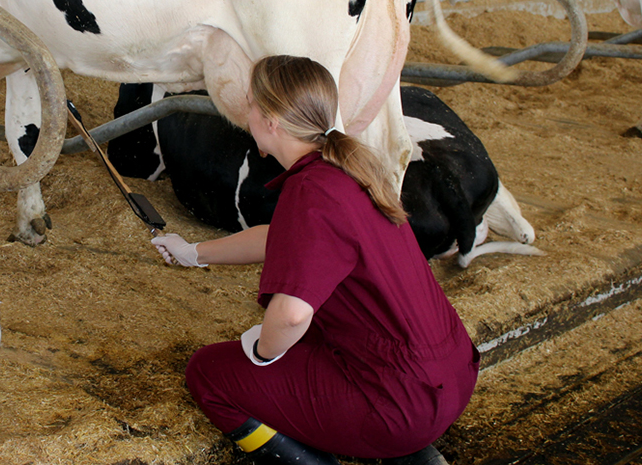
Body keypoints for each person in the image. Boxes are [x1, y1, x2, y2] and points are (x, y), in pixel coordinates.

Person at [151, 55, 479, 465]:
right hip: (451, 376)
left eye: (251, 103)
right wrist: (195, 253)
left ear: (271, 121)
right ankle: (414, 457)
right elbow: (280, 239)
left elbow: (291, 316)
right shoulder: (344, 169)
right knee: (314, 347)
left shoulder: (310, 192)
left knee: (209, 373)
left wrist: (263, 351)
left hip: (402, 404)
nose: (245, 113)